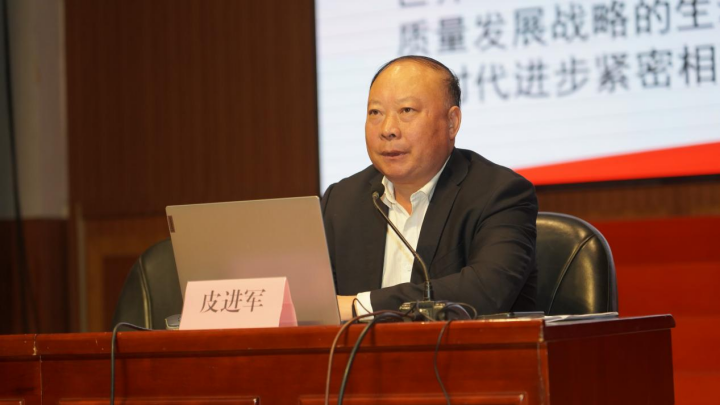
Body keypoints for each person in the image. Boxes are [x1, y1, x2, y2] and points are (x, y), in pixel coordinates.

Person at [321, 56, 538, 321]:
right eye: (375, 113)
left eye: (407, 110)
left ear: (452, 122)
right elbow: (309, 300)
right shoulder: (341, 201)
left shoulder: (499, 194)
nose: (388, 129)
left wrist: (360, 306)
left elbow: (486, 291)